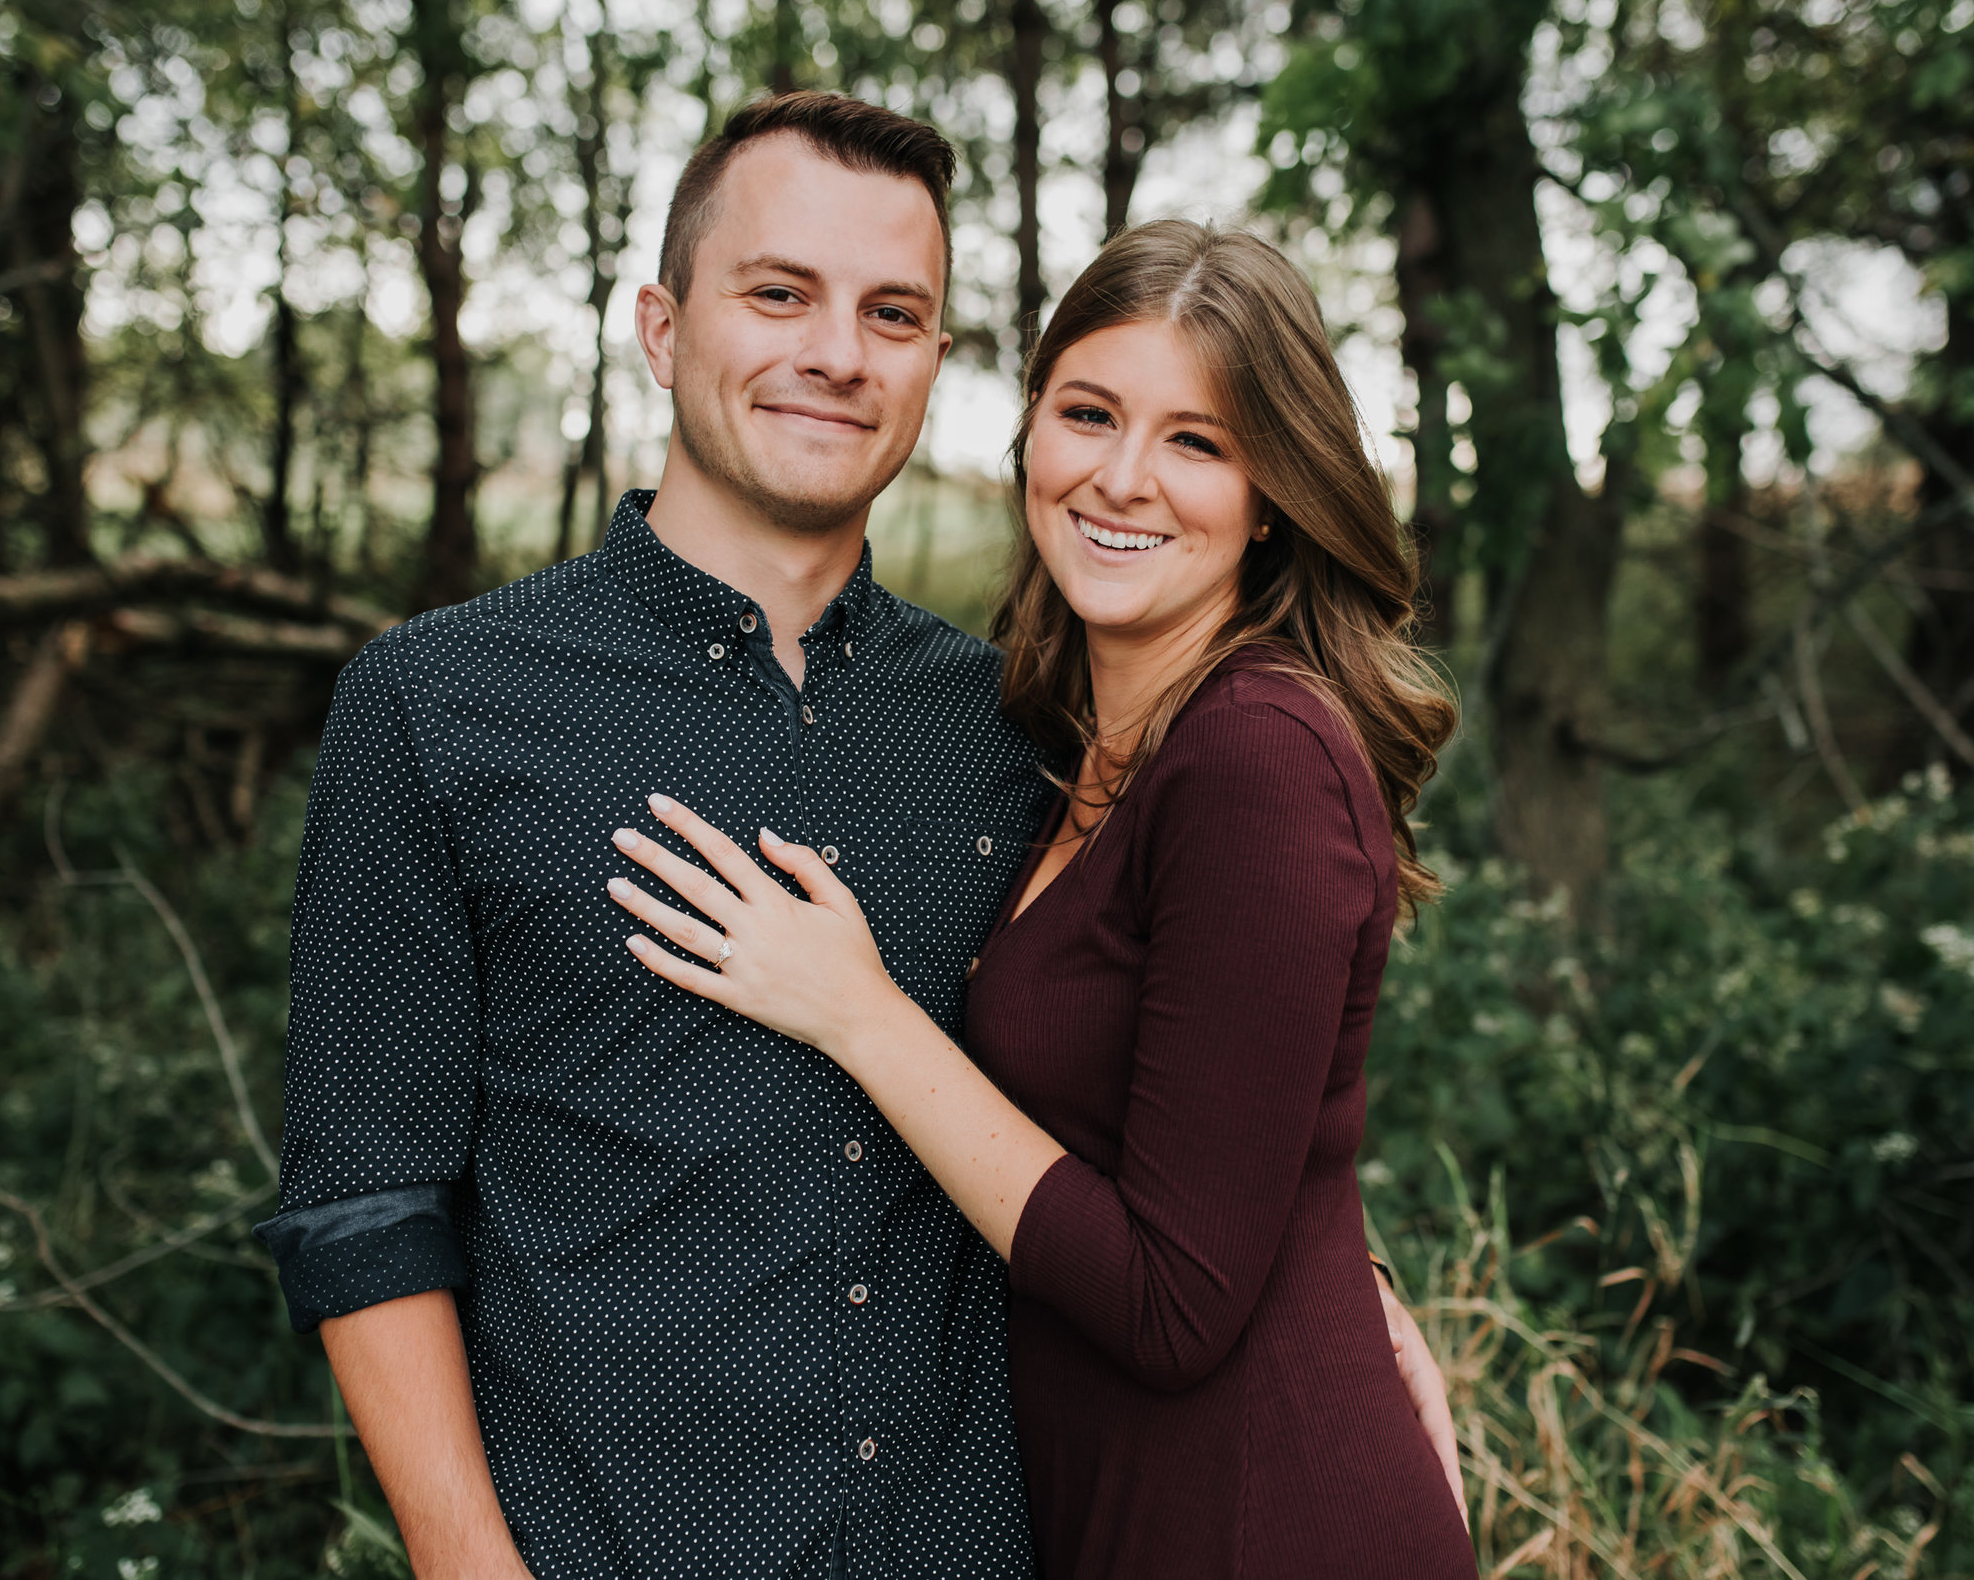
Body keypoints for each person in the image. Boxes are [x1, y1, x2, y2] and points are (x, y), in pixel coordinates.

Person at [259, 90, 1458, 1580]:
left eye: (893, 313)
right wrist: (462, 1561)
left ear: (936, 366)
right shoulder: (437, 707)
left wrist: (1338, 1280)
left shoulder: (1016, 727)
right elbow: (364, 1201)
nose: (837, 353)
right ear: (661, 324)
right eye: (780, 295)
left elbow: (1175, 1092)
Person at [603, 220, 1478, 1579]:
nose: (1124, 478)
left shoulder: (1256, 755)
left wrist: (861, 1014)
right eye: (1089, 414)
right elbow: (1226, 1142)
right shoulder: (1071, 744)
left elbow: (1177, 1299)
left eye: (1199, 441)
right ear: (1031, 438)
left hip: (1260, 1522)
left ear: (1274, 493)